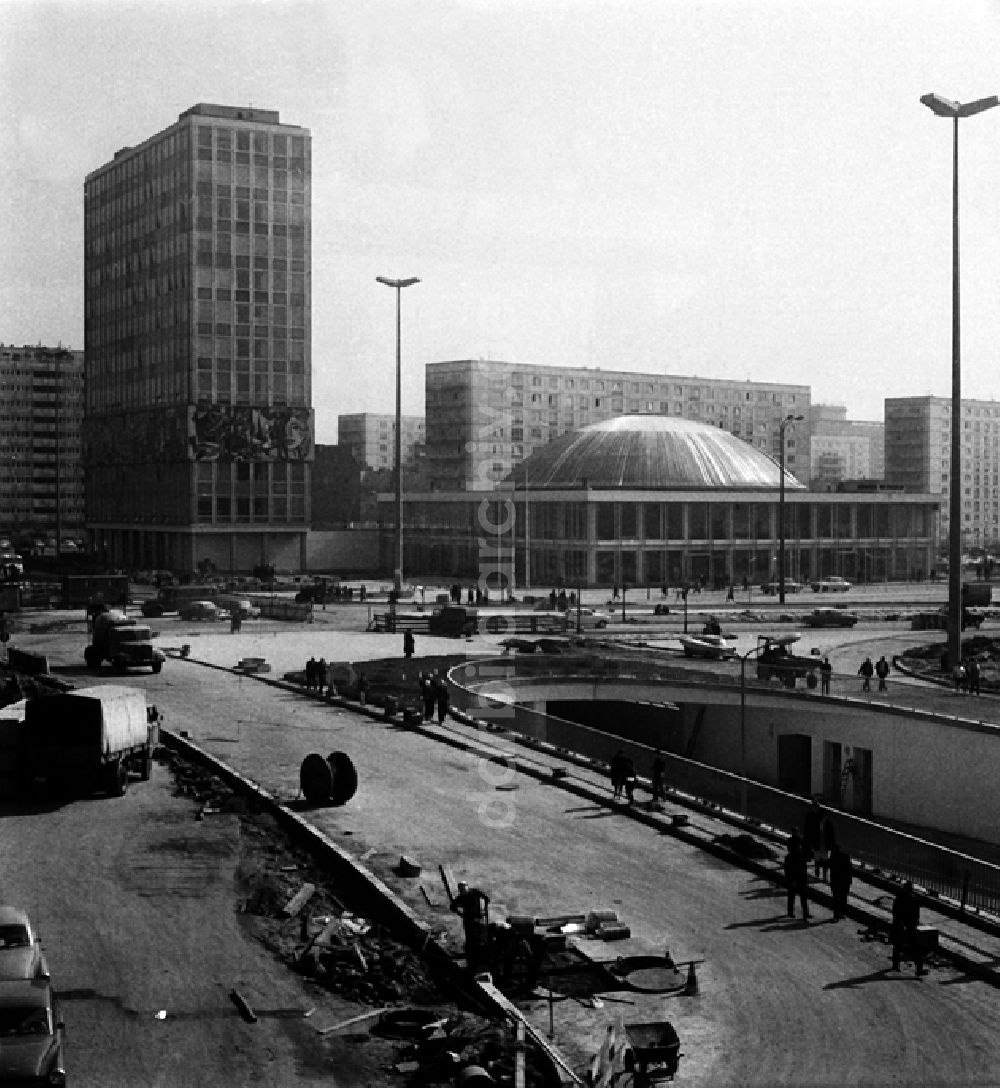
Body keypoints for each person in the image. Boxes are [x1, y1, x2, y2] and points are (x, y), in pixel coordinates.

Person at [450, 881, 491, 974]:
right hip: (469, 921)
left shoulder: (475, 892)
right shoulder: (461, 897)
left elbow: (486, 899)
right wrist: (461, 914)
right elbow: (452, 907)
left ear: (467, 887)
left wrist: (484, 909)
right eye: (461, 889)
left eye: (464, 889)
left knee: (481, 938)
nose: (463, 891)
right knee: (471, 940)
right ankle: (472, 960)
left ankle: (480, 958)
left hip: (479, 919)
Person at [890, 880, 925, 975]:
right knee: (914, 947)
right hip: (909, 925)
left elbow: (895, 912)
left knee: (898, 945)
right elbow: (916, 916)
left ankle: (895, 965)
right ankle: (919, 969)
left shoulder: (899, 898)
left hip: (901, 924)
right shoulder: (914, 899)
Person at [784, 833, 810, 920]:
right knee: (802, 897)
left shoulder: (789, 857)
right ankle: (805, 913)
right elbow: (803, 869)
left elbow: (787, 870)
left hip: (796, 879)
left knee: (792, 896)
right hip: (799, 879)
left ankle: (791, 912)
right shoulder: (800, 857)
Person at [828, 842, 853, 921]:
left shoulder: (833, 856)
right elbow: (849, 870)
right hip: (844, 881)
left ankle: (837, 915)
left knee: (836, 899)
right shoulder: (845, 856)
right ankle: (842, 914)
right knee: (843, 898)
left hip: (837, 881)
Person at [803, 799, 823, 879]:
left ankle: (816, 868)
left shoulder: (811, 815)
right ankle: (816, 868)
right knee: (813, 853)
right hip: (813, 837)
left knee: (815, 854)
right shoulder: (819, 816)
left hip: (814, 837)